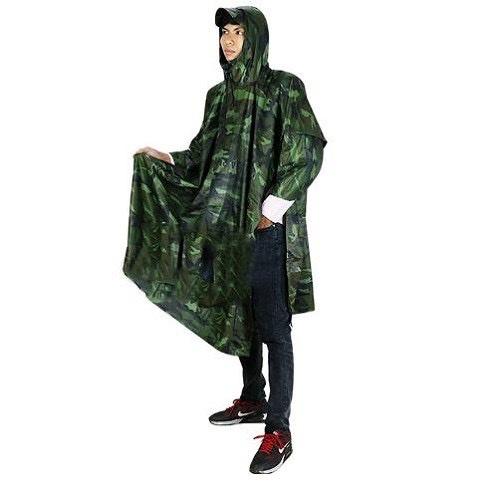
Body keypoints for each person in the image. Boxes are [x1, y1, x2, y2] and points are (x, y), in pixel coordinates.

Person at [125, 6, 327, 474]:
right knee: (240, 315)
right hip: (225, 229)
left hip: (266, 230)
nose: (229, 40)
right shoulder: (218, 96)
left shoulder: (284, 88)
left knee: (274, 328)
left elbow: (307, 152)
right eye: (224, 33)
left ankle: (280, 429)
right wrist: (167, 159)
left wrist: (271, 209)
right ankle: (253, 398)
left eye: (238, 32)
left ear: (255, 38)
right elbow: (204, 155)